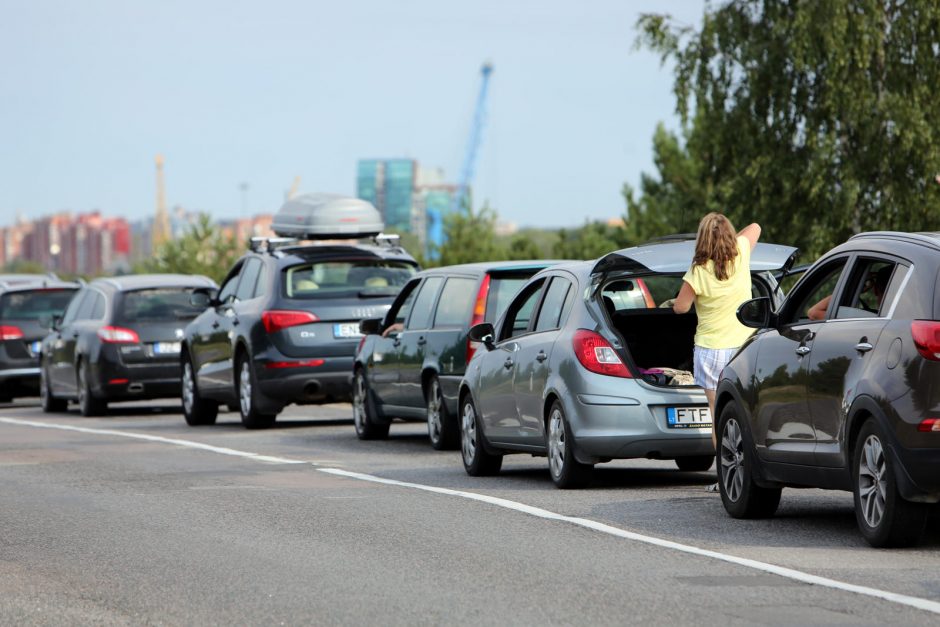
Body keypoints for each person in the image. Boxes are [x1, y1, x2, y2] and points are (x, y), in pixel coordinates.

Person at [673, 213, 761, 492]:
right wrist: (732, 243)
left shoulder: (698, 271)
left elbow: (680, 308)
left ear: (702, 239)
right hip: (744, 348)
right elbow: (755, 226)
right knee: (748, 411)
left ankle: (726, 477)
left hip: (711, 351)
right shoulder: (742, 253)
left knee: (719, 416)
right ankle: (755, 469)